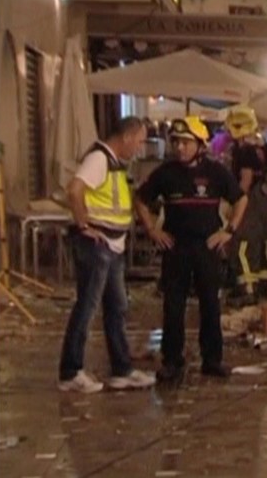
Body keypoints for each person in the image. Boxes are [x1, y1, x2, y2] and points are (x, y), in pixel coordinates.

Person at [136, 116, 248, 383]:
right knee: (173, 306)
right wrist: (153, 230)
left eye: (186, 143)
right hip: (176, 248)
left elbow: (240, 199)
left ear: (200, 144)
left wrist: (228, 231)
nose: (180, 148)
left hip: (206, 247)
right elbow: (140, 199)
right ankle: (172, 361)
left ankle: (212, 360)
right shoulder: (166, 172)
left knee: (211, 304)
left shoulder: (216, 172)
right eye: (176, 142)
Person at [59, 116, 156, 393]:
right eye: (138, 142)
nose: (138, 148)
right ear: (126, 137)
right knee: (87, 307)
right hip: (97, 245)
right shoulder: (99, 158)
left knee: (117, 307)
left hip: (113, 244)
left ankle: (122, 369)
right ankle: (70, 371)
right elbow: (75, 191)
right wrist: (83, 225)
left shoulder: (115, 162)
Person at [224, 105, 267, 306]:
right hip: (263, 199)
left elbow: (245, 179)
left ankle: (247, 290)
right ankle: (263, 288)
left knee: (242, 244)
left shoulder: (243, 151)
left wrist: (234, 203)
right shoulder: (262, 147)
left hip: (249, 201)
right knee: (263, 244)